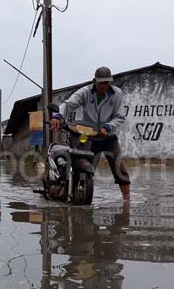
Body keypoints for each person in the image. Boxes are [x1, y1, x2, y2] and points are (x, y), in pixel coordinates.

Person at [50, 66, 131, 200]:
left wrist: (108, 127)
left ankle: (127, 201)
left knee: (119, 169)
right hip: (88, 136)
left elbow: (120, 116)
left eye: (107, 82)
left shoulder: (117, 94)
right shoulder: (85, 92)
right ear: (94, 81)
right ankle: (70, 191)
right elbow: (68, 105)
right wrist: (57, 116)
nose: (104, 86)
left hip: (108, 136)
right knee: (82, 167)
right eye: (101, 83)